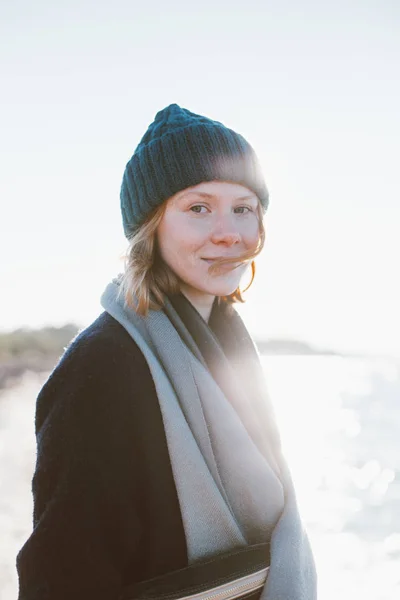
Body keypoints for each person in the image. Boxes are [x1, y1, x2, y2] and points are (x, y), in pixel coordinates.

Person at [16, 104, 317, 600]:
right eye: (198, 208)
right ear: (150, 227)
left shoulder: (228, 349)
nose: (228, 231)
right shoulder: (101, 369)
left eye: (243, 207)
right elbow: (60, 577)